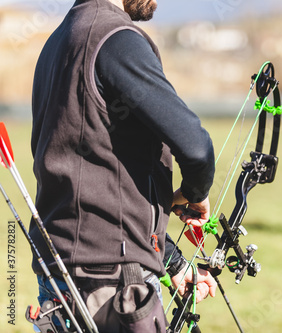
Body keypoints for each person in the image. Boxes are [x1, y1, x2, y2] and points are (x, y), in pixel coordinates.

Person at [29, 0, 216, 331]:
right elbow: (196, 147)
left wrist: (170, 260)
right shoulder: (116, 39)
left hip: (61, 274)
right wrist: (193, 192)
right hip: (113, 284)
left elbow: (99, 175)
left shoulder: (58, 41)